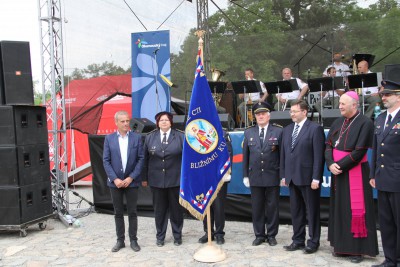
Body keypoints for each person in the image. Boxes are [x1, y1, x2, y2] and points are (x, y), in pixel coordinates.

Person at [325, 91, 378, 263]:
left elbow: (360, 151)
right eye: (339, 103)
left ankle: (357, 250)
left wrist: (339, 165)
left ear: (354, 105)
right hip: (337, 173)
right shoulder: (338, 122)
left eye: (343, 104)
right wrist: (330, 164)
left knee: (356, 210)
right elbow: (328, 146)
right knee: (340, 209)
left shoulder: (365, 123)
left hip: (355, 172)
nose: (339, 106)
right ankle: (341, 246)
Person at [280, 99, 325, 254]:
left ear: (304, 112)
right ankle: (298, 240)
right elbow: (284, 155)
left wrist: (316, 178)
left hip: (308, 178)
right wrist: (284, 175)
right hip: (292, 178)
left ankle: (313, 242)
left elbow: (319, 156)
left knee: (311, 211)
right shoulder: (287, 130)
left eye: (295, 111)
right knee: (296, 211)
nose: (291, 114)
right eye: (291, 111)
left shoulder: (315, 129)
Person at [103, 110, 144, 252]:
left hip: (131, 181)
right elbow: (106, 161)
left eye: (127, 120)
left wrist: (130, 177)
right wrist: (115, 179)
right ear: (116, 123)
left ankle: (133, 240)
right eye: (123, 121)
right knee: (118, 212)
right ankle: (120, 241)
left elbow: (141, 159)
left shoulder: (136, 138)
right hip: (115, 183)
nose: (126, 123)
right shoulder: (109, 139)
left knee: (132, 212)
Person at [242, 102, 283, 247]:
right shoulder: (248, 132)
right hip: (255, 176)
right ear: (254, 116)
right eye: (258, 114)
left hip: (273, 175)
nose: (260, 116)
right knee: (257, 207)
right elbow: (245, 156)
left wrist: (282, 175)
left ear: (269, 115)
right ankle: (259, 235)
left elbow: (282, 155)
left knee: (272, 207)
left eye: (263, 113)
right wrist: (245, 175)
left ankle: (271, 235)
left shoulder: (278, 131)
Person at [142, 111, 184, 247]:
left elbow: (186, 159)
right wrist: (144, 178)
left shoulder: (180, 136)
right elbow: (145, 160)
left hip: (175, 180)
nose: (164, 122)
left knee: (176, 210)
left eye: (166, 120)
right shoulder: (149, 138)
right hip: (157, 181)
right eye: (161, 120)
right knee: (159, 211)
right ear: (157, 123)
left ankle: (177, 236)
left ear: (171, 122)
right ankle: (160, 236)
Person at [370, 80, 400, 267]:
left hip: (398, 178)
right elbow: (375, 148)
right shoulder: (380, 119)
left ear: (398, 96)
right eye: (382, 95)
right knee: (387, 222)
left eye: (388, 94)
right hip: (382, 178)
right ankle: (390, 259)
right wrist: (373, 174)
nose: (384, 97)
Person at [198, 131, 233, 245]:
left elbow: (228, 153)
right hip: (204, 177)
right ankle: (208, 232)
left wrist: (226, 172)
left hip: (219, 177)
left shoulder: (222, 133)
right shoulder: (199, 133)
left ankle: (219, 233)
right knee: (206, 206)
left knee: (218, 207)